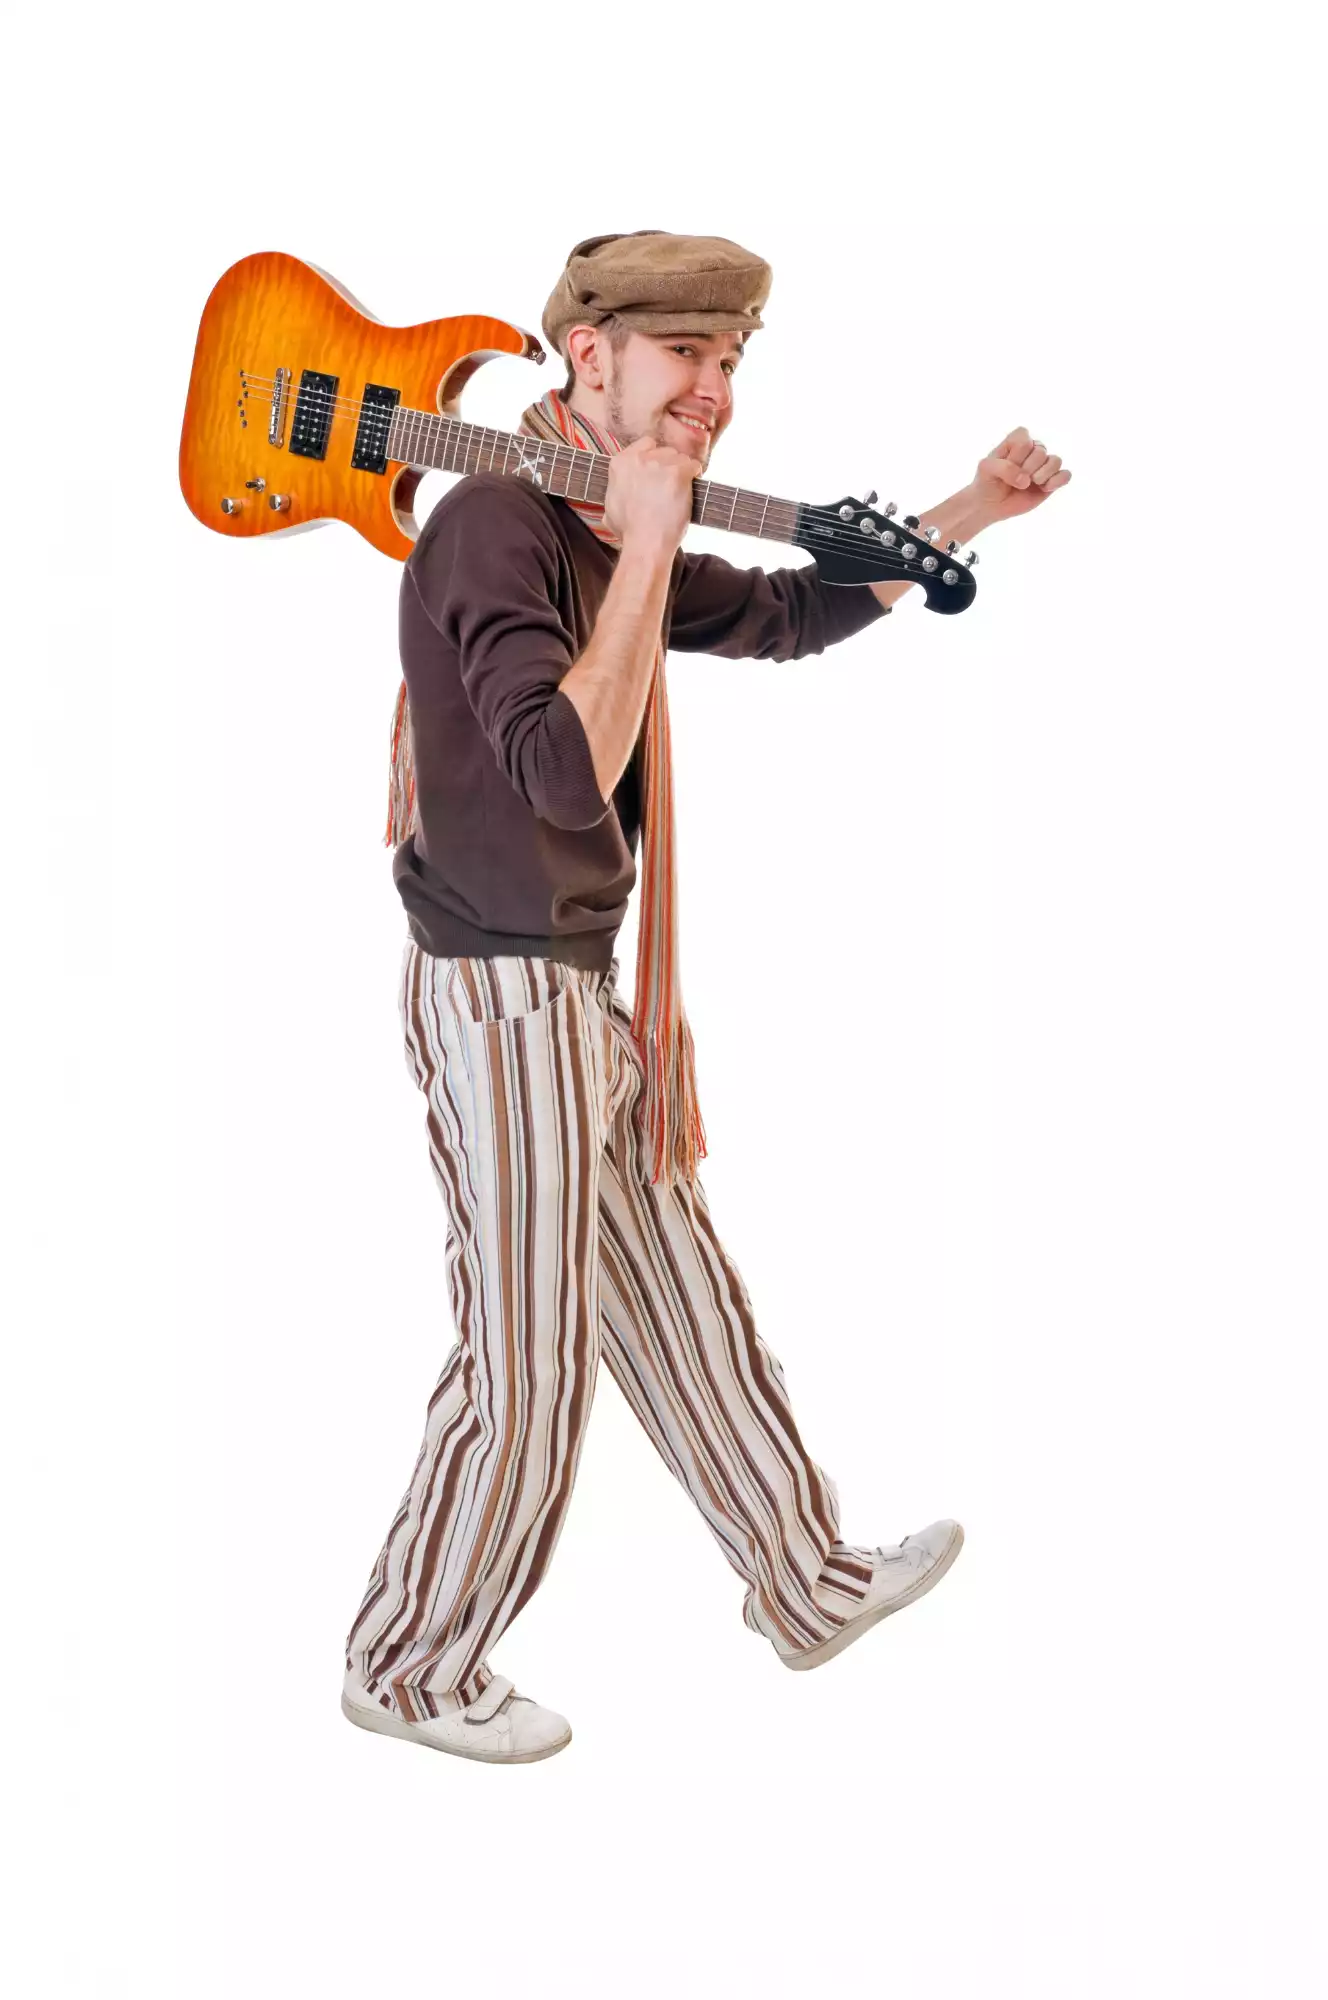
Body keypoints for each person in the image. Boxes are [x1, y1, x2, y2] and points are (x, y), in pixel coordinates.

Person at [341, 229, 1070, 1764]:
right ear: (589, 356)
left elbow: (789, 616)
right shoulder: (493, 525)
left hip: (580, 994)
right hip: (500, 999)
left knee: (686, 1310)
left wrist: (966, 514)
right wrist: (652, 543)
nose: (715, 391)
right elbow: (562, 774)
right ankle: (408, 1666)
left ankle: (806, 1582)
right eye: (685, 355)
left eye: (731, 361)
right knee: (529, 1370)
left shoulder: (602, 517)